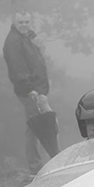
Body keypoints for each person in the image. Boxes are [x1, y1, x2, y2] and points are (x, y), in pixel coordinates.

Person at [3, 12, 56, 175]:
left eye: (27, 21)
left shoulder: (25, 38)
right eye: (21, 22)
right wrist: (29, 89)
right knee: (44, 124)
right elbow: (17, 68)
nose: (24, 25)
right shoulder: (13, 41)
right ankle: (45, 162)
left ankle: (40, 163)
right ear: (14, 22)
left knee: (35, 126)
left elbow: (36, 63)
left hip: (37, 89)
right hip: (30, 91)